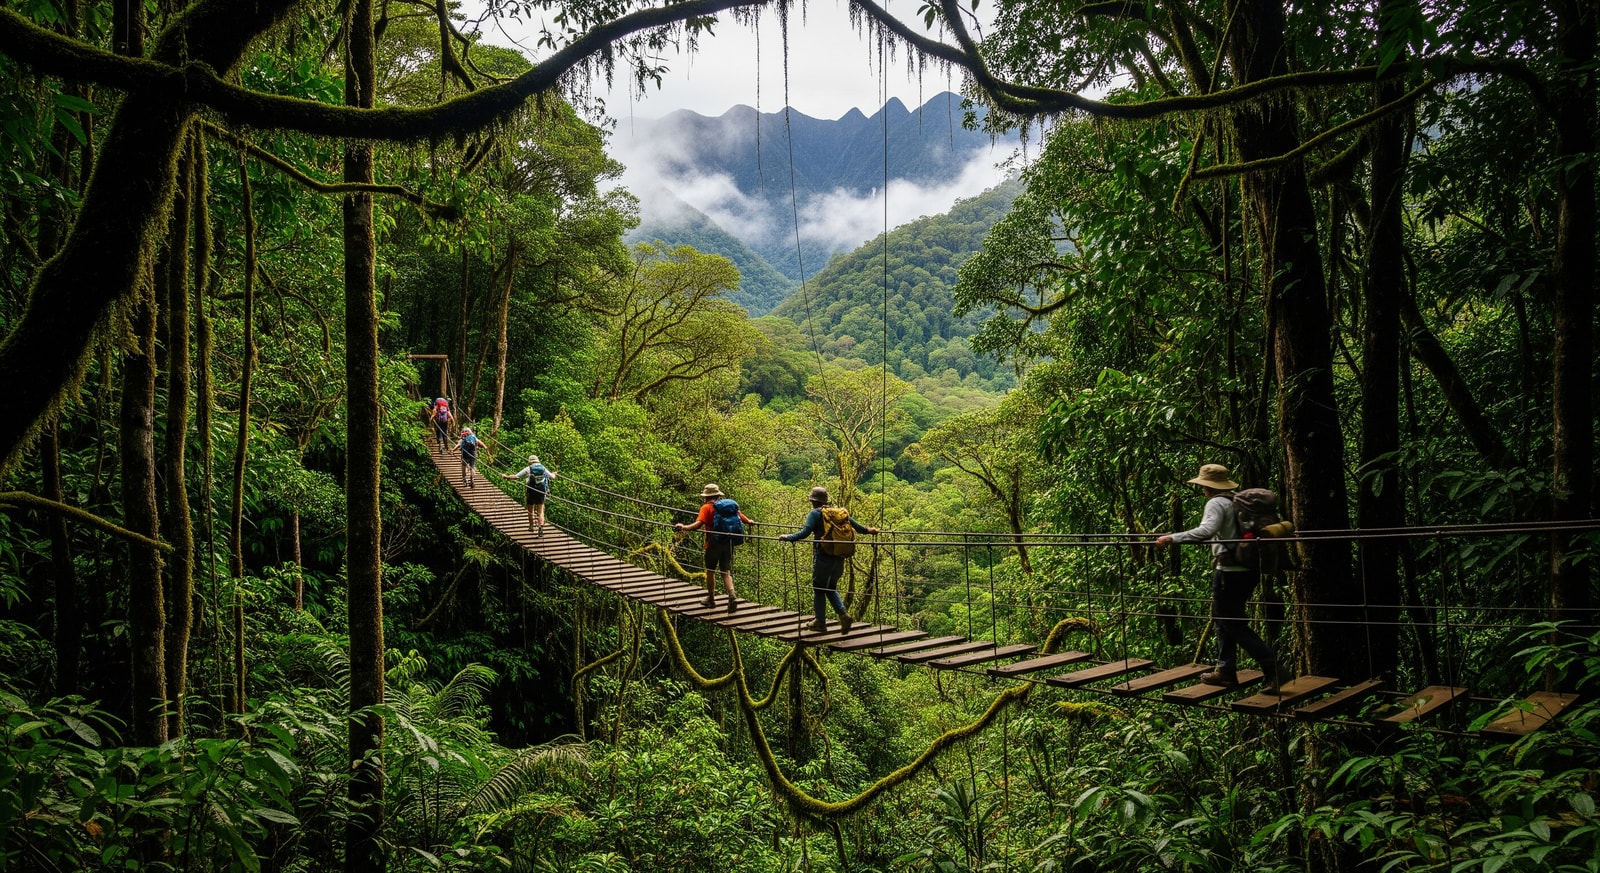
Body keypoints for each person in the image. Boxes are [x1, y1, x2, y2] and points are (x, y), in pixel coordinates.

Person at [1156, 463, 1283, 692]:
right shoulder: (1237, 501)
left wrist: (1172, 538)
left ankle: (1272, 666)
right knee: (1224, 619)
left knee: (1231, 623)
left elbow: (1206, 530)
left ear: (1207, 486)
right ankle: (1226, 671)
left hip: (1228, 573)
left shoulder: (1216, 503)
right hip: (1248, 569)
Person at [778, 486, 879, 634]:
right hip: (838, 557)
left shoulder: (815, 514)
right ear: (825, 500)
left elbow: (805, 533)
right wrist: (870, 530)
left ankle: (820, 622)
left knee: (819, 588)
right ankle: (843, 615)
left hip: (823, 557)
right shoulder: (838, 513)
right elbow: (857, 527)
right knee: (830, 587)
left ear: (813, 501)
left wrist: (788, 537)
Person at [673, 483, 753, 612]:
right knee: (725, 571)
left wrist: (684, 527)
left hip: (713, 543)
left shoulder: (706, 507)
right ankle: (732, 595)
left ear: (706, 497)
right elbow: (739, 515)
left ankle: (711, 599)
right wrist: (749, 521)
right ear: (718, 495)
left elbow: (698, 525)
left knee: (710, 571)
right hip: (728, 542)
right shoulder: (727, 506)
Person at [502, 454, 556, 534]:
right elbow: (552, 477)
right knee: (540, 512)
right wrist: (554, 473)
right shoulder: (543, 468)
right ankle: (540, 526)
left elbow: (516, 476)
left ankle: (531, 527)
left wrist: (506, 476)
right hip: (541, 492)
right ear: (538, 461)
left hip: (531, 491)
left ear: (530, 462)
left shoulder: (528, 469)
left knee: (531, 510)